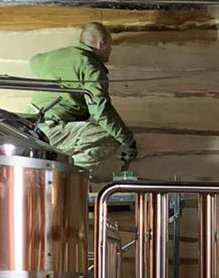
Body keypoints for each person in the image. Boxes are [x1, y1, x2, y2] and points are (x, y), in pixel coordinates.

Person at [28, 22, 137, 172]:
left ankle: (60, 170)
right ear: (101, 44)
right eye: (110, 46)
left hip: (31, 126)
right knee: (111, 137)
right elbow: (100, 110)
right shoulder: (91, 65)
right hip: (54, 130)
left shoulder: (55, 56)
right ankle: (70, 174)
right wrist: (128, 141)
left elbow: (33, 61)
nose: (110, 50)